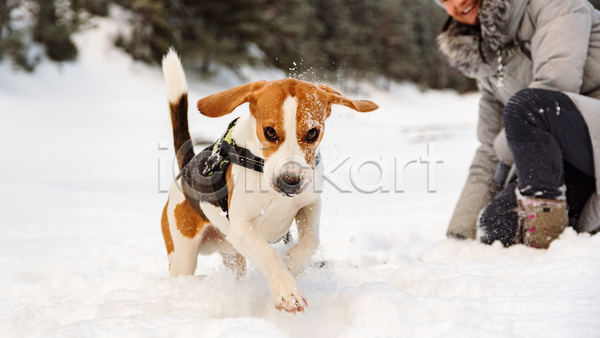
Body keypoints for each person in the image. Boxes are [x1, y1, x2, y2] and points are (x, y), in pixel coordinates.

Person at [435, 0, 600, 248]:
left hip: (588, 129)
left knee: (527, 108)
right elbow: (488, 148)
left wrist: (508, 147)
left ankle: (547, 246)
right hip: (564, 156)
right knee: (498, 225)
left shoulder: (553, 4)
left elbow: (556, 84)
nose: (459, 1)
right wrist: (457, 235)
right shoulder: (486, 57)